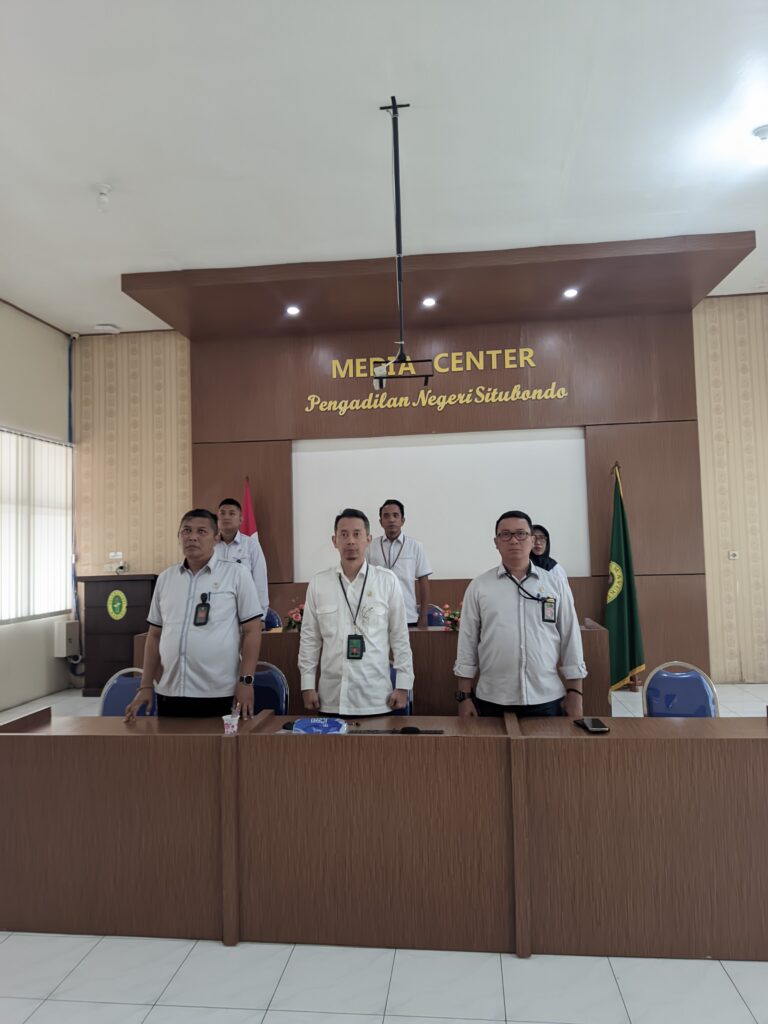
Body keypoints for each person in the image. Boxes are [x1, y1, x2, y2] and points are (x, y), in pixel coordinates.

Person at [124, 508, 263, 720]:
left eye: (201, 531)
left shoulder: (236, 574)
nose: (192, 537)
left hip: (219, 692)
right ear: (179, 536)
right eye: (186, 531)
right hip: (170, 691)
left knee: (218, 743)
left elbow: (252, 631)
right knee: (171, 742)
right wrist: (145, 685)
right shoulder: (165, 579)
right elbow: (154, 635)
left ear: (216, 538)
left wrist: (246, 682)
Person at [454, 510, 586, 719]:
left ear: (532, 540)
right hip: (492, 697)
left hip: (546, 697)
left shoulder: (555, 584)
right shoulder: (479, 586)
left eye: (521, 534)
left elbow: (571, 637)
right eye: (505, 534)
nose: (514, 540)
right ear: (496, 542)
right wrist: (464, 696)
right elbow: (467, 642)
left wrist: (575, 693)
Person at [299, 507, 414, 716]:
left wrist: (403, 685)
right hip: (331, 700)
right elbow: (310, 639)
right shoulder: (319, 583)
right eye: (344, 535)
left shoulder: (386, 581)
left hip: (376, 699)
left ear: (368, 539)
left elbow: (400, 637)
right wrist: (307, 684)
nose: (350, 541)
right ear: (334, 541)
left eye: (357, 534)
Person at [367, 498, 433, 628]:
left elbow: (424, 581)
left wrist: (423, 615)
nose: (391, 520)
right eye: (386, 516)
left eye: (395, 515)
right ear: (381, 522)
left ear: (403, 520)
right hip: (378, 616)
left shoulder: (415, 546)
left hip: (408, 616)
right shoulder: (370, 547)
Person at [215, 497, 270, 613]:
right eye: (222, 513)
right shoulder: (209, 545)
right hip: (215, 609)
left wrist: (261, 615)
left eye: (231, 513)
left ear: (240, 519)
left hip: (243, 608)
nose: (226, 517)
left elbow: (260, 583)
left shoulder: (251, 545)